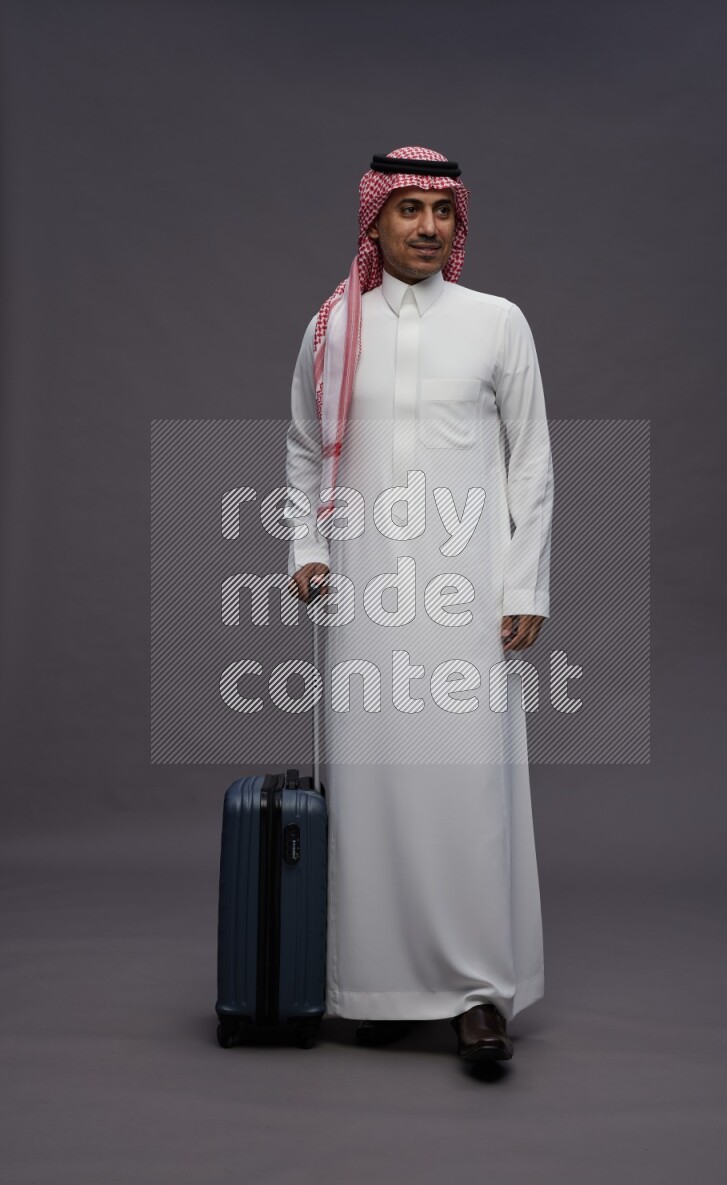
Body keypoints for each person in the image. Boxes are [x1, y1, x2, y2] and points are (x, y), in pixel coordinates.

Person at [283, 147, 554, 1062]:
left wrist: (524, 583)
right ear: (374, 221)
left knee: (466, 783)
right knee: (373, 788)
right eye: (410, 210)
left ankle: (479, 992)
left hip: (468, 589)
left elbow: (533, 463)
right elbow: (302, 445)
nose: (429, 227)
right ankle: (378, 985)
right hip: (365, 590)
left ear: (459, 224)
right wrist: (309, 546)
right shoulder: (331, 328)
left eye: (444, 211)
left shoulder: (496, 322)